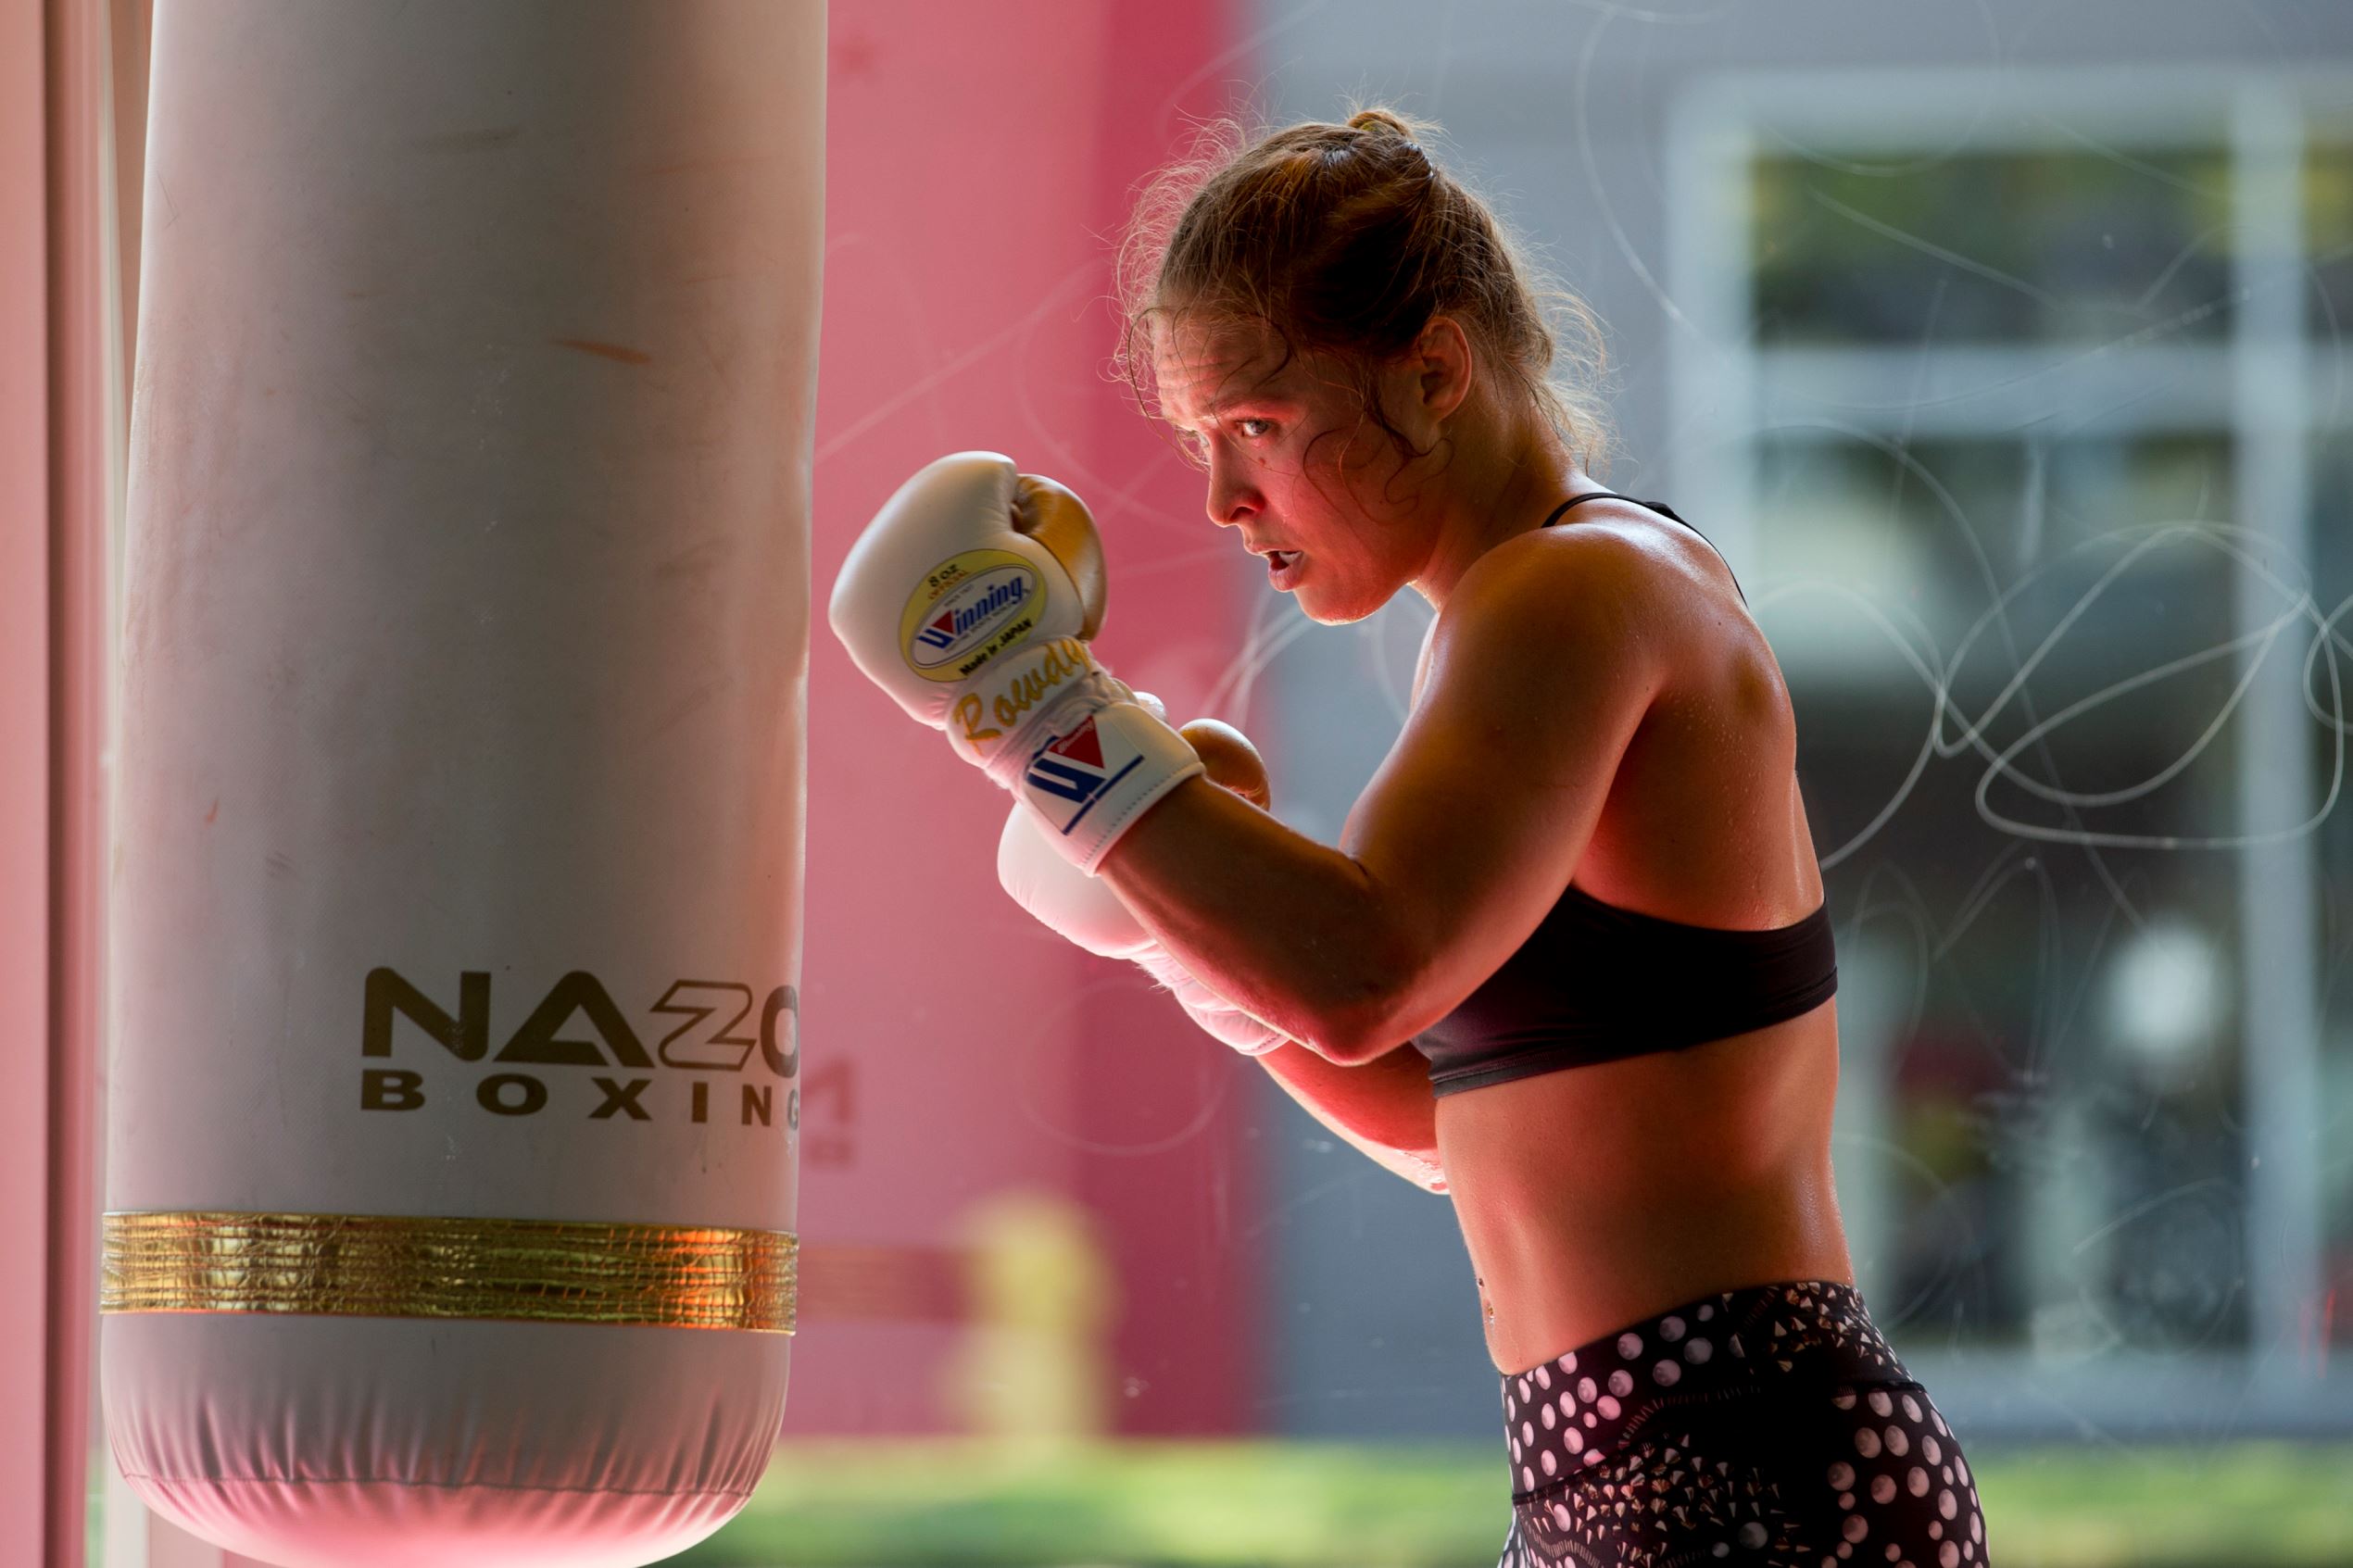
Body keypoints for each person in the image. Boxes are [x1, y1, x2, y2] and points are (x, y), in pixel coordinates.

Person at [830, 107, 1987, 1568]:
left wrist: (1035, 710)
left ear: (1434, 371)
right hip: (1655, 1465)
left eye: (1256, 425)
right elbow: (1459, 1128)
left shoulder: (1577, 592)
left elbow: (1367, 972)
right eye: (1199, 442)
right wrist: (1189, 940)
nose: (1223, 498)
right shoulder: (1522, 617)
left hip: (1744, 1463)